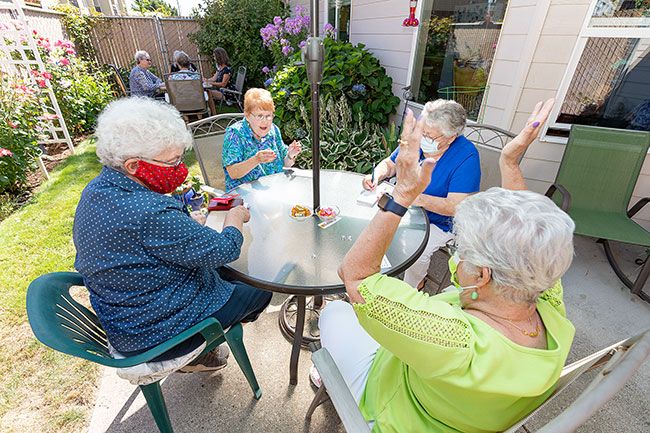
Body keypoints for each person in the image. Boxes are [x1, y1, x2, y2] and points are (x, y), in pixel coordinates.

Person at [319, 100, 577, 433]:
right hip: (460, 409)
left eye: (463, 254)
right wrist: (509, 161)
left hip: (394, 407)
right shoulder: (549, 304)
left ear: (483, 275)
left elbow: (354, 275)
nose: (457, 260)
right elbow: (533, 238)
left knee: (333, 314)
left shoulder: (448, 339)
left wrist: (404, 194)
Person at [73, 97, 272, 375]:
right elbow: (224, 249)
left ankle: (202, 349)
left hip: (127, 315)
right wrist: (235, 217)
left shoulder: (96, 189)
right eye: (172, 161)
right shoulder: (150, 212)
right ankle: (199, 350)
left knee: (227, 273)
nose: (180, 168)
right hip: (156, 332)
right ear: (133, 165)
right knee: (261, 287)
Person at [363, 99, 480, 289]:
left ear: (451, 138)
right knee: (371, 228)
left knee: (413, 251)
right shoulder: (418, 137)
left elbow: (455, 206)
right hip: (404, 207)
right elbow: (391, 164)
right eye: (422, 131)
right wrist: (376, 175)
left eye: (430, 137)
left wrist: (417, 198)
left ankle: (412, 289)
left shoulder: (466, 157)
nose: (423, 138)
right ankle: (371, 276)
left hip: (439, 222)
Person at [222, 88, 302, 191]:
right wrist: (256, 160)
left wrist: (290, 155)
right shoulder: (235, 134)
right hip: (244, 197)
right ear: (247, 115)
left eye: (268, 116)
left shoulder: (273, 130)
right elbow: (233, 173)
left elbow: (283, 164)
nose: (265, 121)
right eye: (259, 116)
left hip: (274, 190)